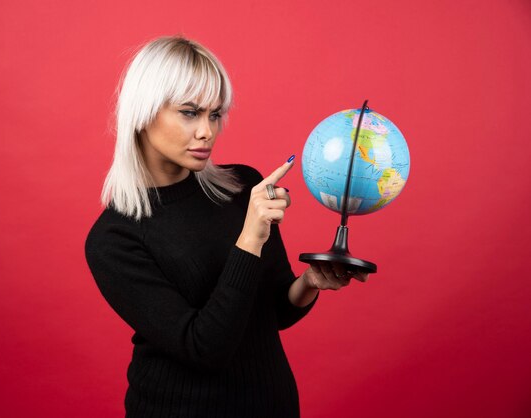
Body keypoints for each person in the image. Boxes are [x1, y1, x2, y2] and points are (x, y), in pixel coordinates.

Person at [84, 36, 369, 418]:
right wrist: (250, 236)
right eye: (189, 112)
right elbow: (205, 348)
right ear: (143, 112)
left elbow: (275, 313)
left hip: (273, 404)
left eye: (215, 115)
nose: (207, 131)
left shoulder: (241, 188)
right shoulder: (114, 239)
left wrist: (309, 284)